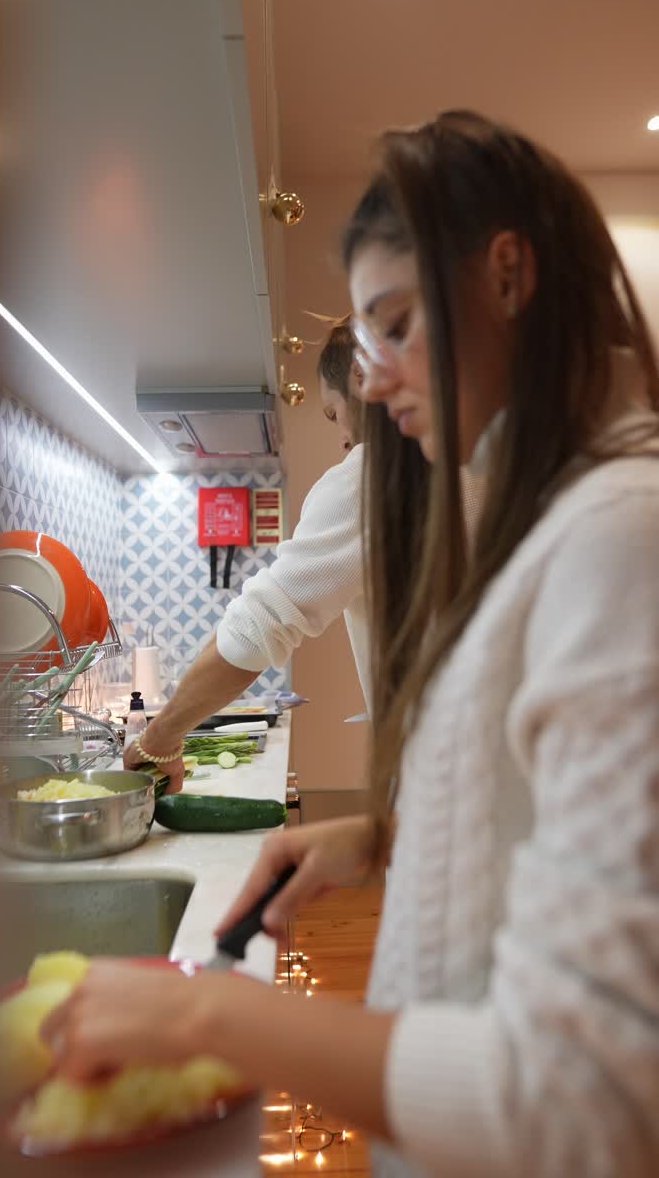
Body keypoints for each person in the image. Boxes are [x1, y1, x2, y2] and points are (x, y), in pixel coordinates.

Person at [44, 111, 659, 1178]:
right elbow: (548, 790)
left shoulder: (616, 539)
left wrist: (205, 1018)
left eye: (398, 325)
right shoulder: (546, 520)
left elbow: (581, 1100)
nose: (370, 383)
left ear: (508, 276)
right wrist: (381, 837)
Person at [125, 318, 370, 790]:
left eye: (332, 413)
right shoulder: (477, 465)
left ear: (361, 376)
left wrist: (158, 738)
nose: (341, 436)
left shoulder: (369, 479)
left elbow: (255, 630)